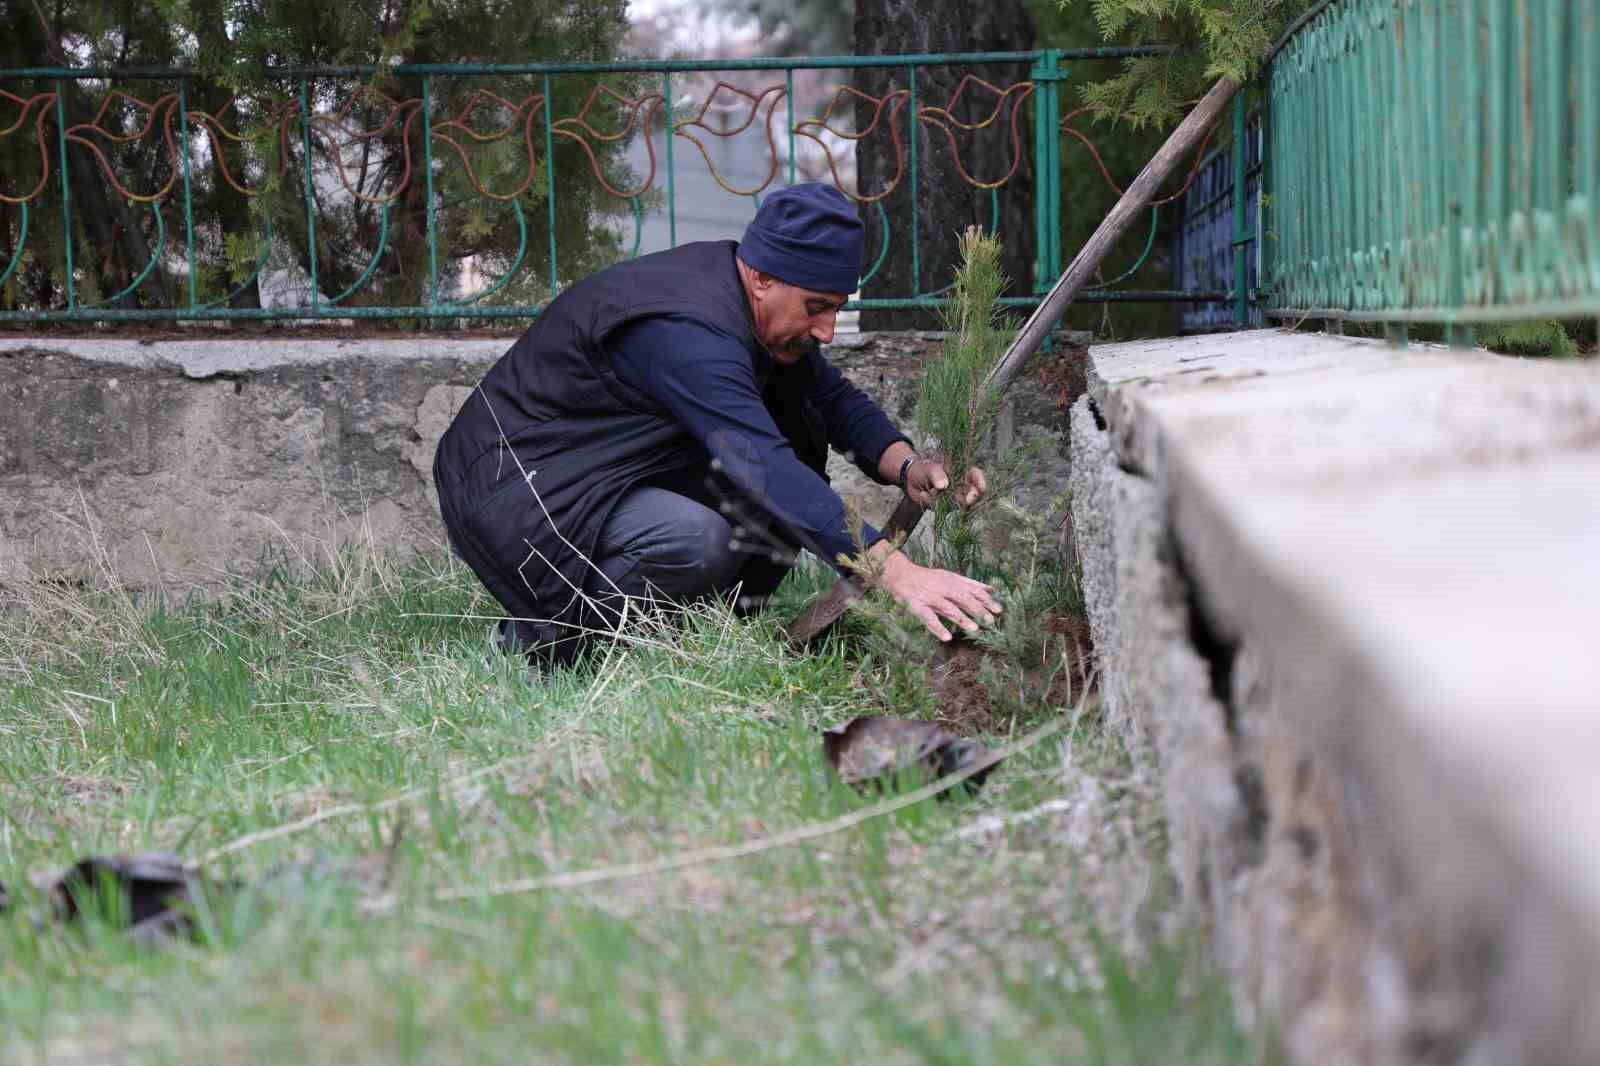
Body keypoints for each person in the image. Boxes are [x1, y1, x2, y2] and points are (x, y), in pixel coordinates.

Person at [433, 182, 1002, 668]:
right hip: (512, 490)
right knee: (695, 539)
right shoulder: (688, 334)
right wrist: (897, 573)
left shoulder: (745, 301)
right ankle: (544, 642)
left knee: (798, 436)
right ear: (761, 279)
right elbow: (763, 467)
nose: (828, 329)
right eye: (816, 307)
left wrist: (907, 466)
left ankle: (691, 630)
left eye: (837, 307)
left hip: (595, 470)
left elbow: (829, 398)